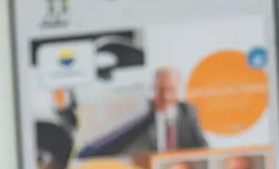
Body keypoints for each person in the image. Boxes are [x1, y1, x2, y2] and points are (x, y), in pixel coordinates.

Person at [80, 66, 208, 159]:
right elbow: (119, 142)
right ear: (154, 89)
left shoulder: (188, 113)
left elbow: (204, 149)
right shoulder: (143, 116)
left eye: (171, 90)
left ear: (179, 90)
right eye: (161, 90)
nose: (166, 96)